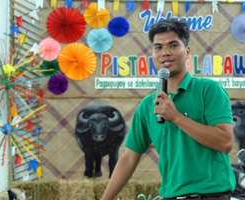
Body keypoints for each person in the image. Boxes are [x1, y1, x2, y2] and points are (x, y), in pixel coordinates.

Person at [101, 18, 236, 200]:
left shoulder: (209, 90)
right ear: (152, 55)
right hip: (170, 196)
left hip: (211, 195)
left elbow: (225, 142)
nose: (165, 52)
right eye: (158, 47)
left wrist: (176, 117)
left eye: (173, 45)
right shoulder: (148, 105)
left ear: (187, 51)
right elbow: (129, 158)